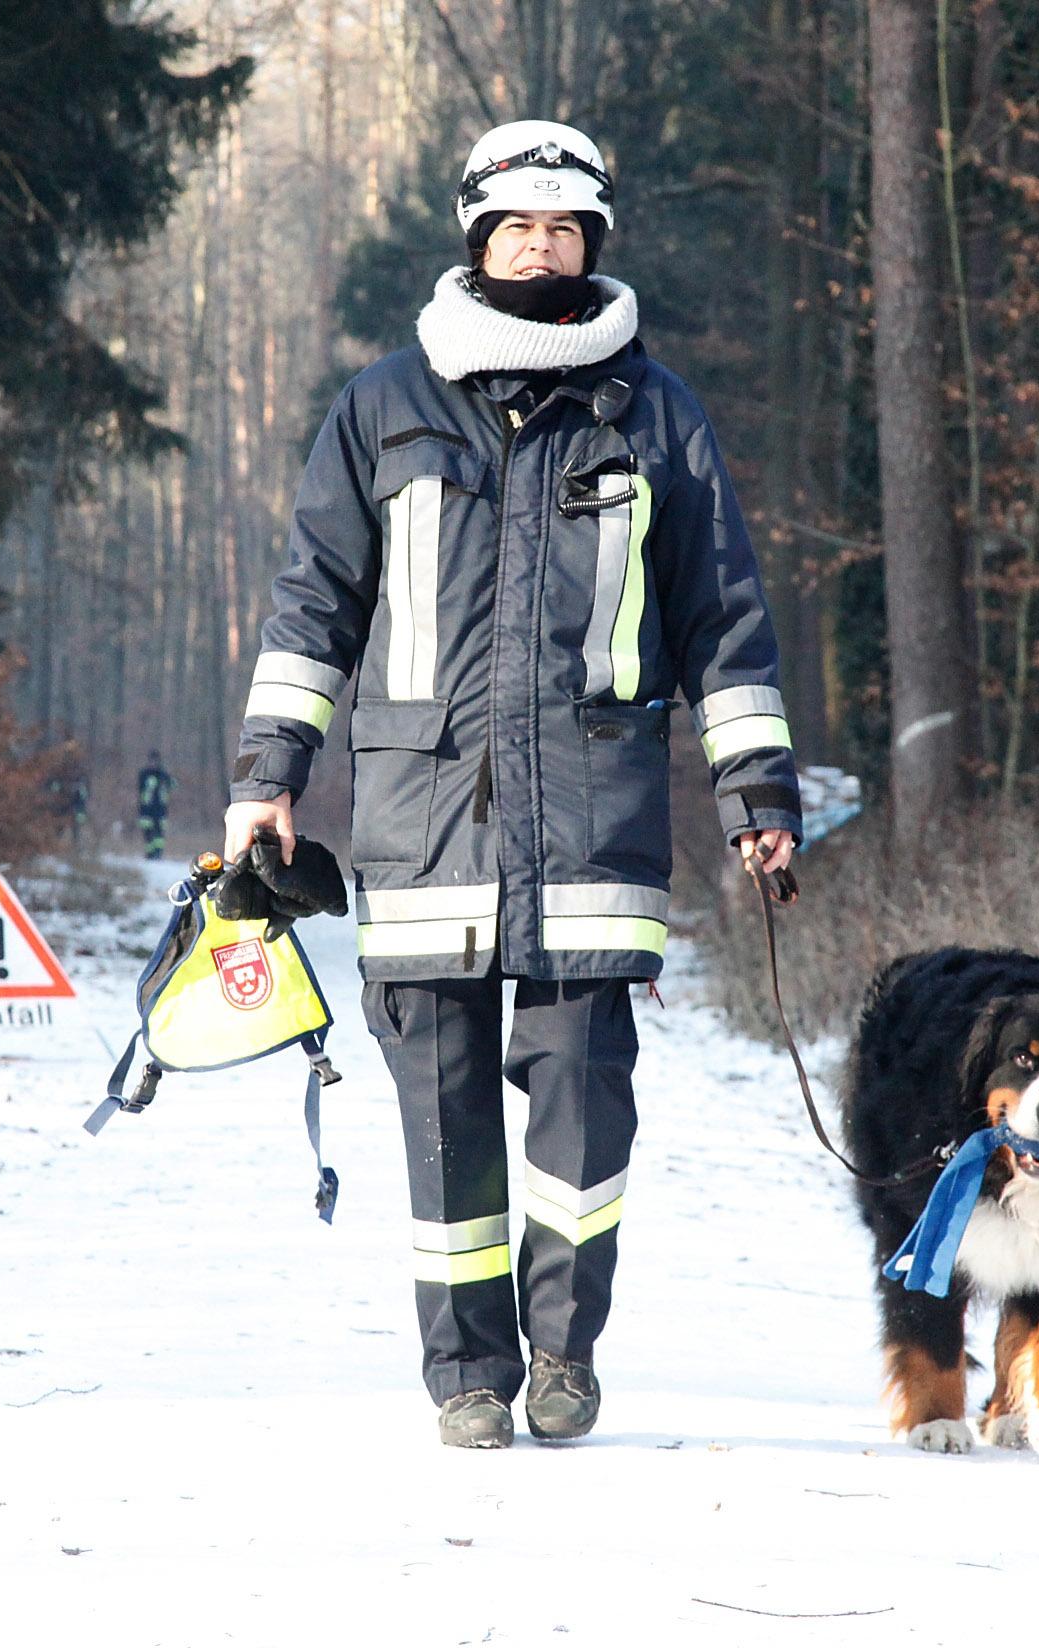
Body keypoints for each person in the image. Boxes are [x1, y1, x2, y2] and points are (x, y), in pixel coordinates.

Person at [224, 120, 800, 1449]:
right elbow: (314, 608)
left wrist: (757, 794)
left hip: (598, 826)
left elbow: (723, 617)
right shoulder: (383, 408)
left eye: (565, 230)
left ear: (593, 243)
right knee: (442, 1126)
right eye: (517, 229)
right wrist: (269, 777)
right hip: (422, 829)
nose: (541, 250)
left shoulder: (657, 415)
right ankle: (469, 1375)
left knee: (585, 1100)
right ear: (477, 242)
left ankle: (564, 1355)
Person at [136, 750, 172, 860]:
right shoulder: (144, 774)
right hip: (146, 808)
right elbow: (140, 789)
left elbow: (171, 785)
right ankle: (149, 854)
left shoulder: (163, 774)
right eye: (151, 761)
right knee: (147, 831)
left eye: (155, 761)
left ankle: (158, 853)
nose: (153, 763)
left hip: (160, 808)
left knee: (159, 832)